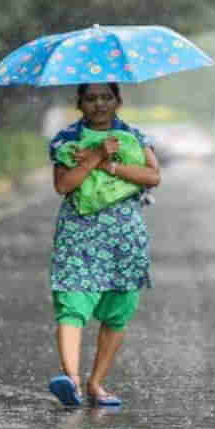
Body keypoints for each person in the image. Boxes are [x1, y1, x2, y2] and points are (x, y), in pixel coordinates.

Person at [45, 82, 161, 408]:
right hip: (78, 234)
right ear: (79, 103)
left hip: (124, 237)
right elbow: (63, 184)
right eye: (91, 98)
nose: (99, 104)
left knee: (117, 311)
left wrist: (111, 165)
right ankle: (72, 381)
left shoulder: (135, 137)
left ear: (118, 101)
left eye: (106, 98)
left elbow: (153, 177)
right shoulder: (66, 140)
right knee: (72, 301)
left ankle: (97, 383)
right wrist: (94, 156)